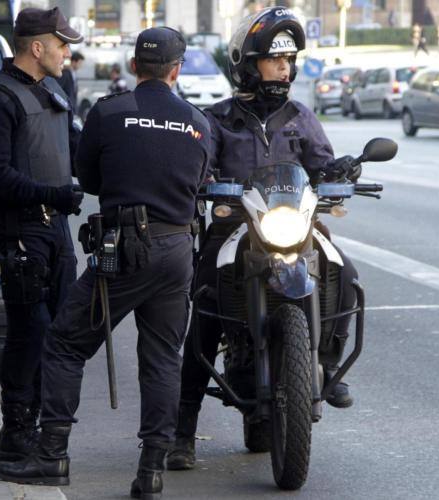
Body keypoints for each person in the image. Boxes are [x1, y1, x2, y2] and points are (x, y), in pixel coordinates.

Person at [0, 27, 211, 499]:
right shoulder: (198, 120)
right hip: (177, 250)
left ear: (133, 66)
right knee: (162, 359)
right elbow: (201, 182)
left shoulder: (109, 112)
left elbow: (88, 179)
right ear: (176, 70)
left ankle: (51, 456)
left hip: (125, 249)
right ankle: (151, 471)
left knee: (65, 344)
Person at [166, 7, 362, 472]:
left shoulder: (300, 117)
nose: (284, 68)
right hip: (234, 228)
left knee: (346, 273)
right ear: (248, 64)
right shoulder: (217, 119)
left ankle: (328, 367)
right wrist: (202, 181)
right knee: (205, 310)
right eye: (275, 60)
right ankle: (182, 433)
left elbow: (321, 164)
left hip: (293, 225)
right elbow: (199, 164)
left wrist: (339, 172)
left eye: (289, 60)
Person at [0, 7, 84, 463]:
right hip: (21, 232)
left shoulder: (53, 91)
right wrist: (53, 195)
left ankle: (37, 423)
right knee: (30, 332)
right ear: (37, 47)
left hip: (57, 232)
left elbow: (76, 153)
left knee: (58, 334)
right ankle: (16, 429)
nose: (67, 53)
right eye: (62, 44)